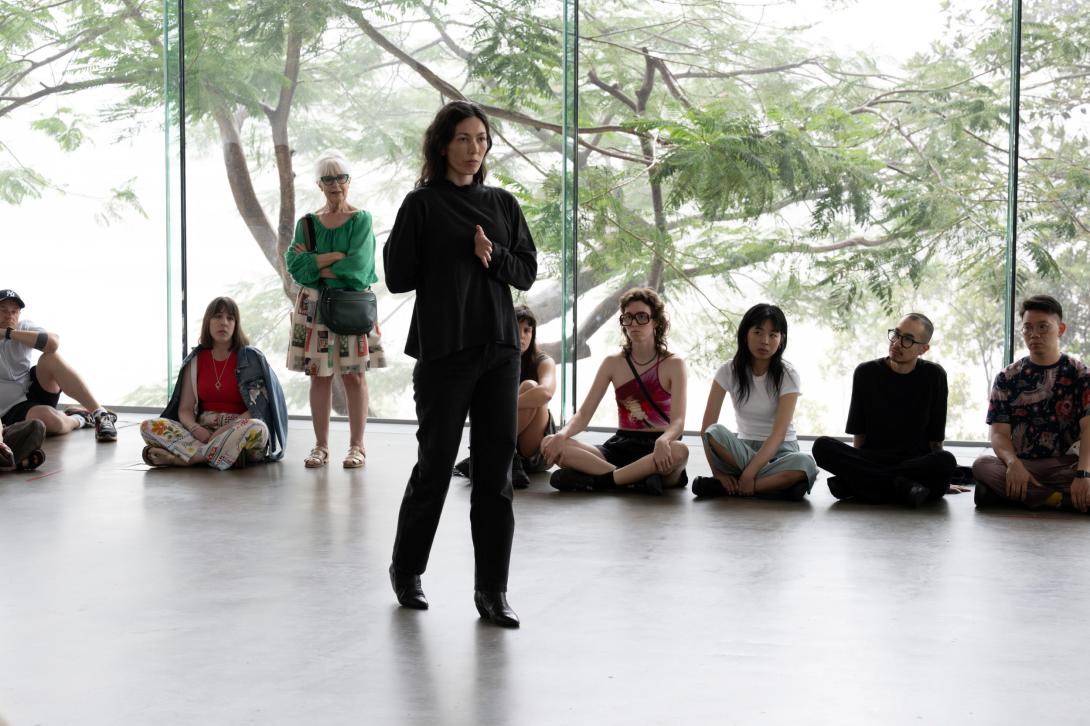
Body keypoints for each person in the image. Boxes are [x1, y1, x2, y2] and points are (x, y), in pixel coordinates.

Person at [384, 100, 537, 627]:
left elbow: (527, 272)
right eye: (464, 139)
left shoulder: (502, 203)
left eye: (481, 139)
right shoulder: (420, 204)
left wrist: (490, 253)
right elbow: (397, 277)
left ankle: (491, 592)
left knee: (495, 477)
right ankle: (407, 568)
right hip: (444, 353)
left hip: (499, 353)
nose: (475, 149)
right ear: (442, 145)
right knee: (435, 469)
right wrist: (448, 252)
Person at [541, 287, 689, 496]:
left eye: (641, 317)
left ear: (656, 321)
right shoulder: (613, 363)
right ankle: (631, 480)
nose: (634, 324)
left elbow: (678, 422)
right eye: (627, 318)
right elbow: (584, 414)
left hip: (657, 448)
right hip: (620, 447)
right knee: (550, 442)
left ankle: (601, 481)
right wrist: (562, 434)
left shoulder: (674, 364)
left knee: (680, 451)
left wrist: (664, 440)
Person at [285, 151, 381, 469]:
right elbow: (295, 266)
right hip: (314, 308)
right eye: (328, 179)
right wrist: (332, 258)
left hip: (350, 305)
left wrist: (315, 263)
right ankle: (321, 446)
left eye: (340, 177)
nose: (335, 184)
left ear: (349, 181)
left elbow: (359, 267)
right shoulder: (307, 223)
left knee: (354, 377)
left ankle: (358, 446)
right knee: (318, 376)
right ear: (319, 184)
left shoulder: (361, 219)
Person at [811, 314, 957, 507]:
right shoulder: (866, 372)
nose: (897, 343)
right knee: (821, 446)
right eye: (896, 334)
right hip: (872, 457)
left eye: (907, 339)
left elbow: (935, 439)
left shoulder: (935, 375)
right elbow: (859, 433)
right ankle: (900, 486)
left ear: (923, 349)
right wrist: (856, 463)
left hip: (914, 462)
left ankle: (859, 484)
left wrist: (942, 475)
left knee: (946, 461)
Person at [972, 295, 1090, 512]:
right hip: (1024, 465)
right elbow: (999, 434)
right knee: (982, 465)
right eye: (1027, 328)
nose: (1034, 334)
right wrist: (1012, 463)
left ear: (1061, 329)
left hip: (1066, 465)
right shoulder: (1007, 378)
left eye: (1043, 327)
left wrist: (1083, 474)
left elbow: (1088, 429)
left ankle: (1009, 495)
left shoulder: (1081, 374)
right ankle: (1060, 500)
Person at [139, 297, 287, 469]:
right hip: (202, 431)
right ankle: (221, 456)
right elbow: (185, 408)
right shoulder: (195, 360)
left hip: (238, 428)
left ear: (236, 325)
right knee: (149, 426)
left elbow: (258, 409)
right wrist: (195, 429)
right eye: (217, 316)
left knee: (257, 428)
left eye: (230, 318)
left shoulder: (251, 358)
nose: (224, 323)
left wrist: (225, 430)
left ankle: (186, 459)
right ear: (208, 322)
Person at [691, 303, 817, 500]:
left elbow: (778, 434)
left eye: (773, 335)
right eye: (758, 332)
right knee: (713, 432)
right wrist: (718, 473)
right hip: (742, 451)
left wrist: (749, 475)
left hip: (781, 450)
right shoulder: (727, 371)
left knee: (805, 464)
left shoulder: (788, 375)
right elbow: (706, 427)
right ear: (745, 334)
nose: (765, 341)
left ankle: (733, 487)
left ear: (781, 339)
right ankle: (775, 485)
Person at [453, 304, 556, 488]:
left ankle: (485, 453)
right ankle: (504, 456)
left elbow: (546, 393)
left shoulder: (542, 360)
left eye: (527, 330)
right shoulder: (494, 362)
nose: (522, 336)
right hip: (506, 449)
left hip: (537, 450)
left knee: (530, 386)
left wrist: (503, 405)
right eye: (516, 329)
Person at [0, 289, 117, 441]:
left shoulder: (24, 327)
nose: (10, 315)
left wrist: (7, 333)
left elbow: (52, 343)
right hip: (10, 407)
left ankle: (100, 414)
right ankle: (79, 418)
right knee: (51, 421)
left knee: (51, 357)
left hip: (32, 389)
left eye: (14, 311)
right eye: (3, 310)